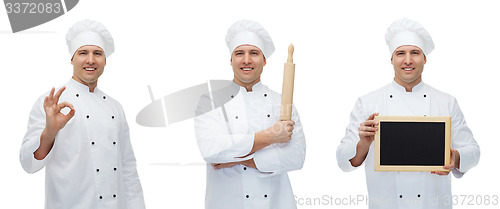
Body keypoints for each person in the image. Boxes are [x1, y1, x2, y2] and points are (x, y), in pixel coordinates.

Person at [336, 18, 480, 209]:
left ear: (425, 59)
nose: (408, 60)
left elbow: (474, 151)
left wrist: (456, 158)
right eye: (400, 53)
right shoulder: (368, 102)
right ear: (391, 59)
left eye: (415, 53)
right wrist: (363, 143)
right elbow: (343, 161)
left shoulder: (446, 102)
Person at [19, 19, 146, 209]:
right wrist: (49, 133)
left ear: (105, 60)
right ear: (72, 59)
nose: (90, 60)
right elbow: (28, 164)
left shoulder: (115, 107)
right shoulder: (51, 102)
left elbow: (128, 168)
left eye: (97, 53)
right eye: (83, 53)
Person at [194, 20, 306, 209]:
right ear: (231, 60)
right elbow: (211, 150)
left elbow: (297, 157)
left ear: (264, 60)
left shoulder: (282, 103)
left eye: (254, 53)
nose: (246, 60)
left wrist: (240, 159)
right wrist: (270, 137)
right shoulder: (210, 102)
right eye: (239, 53)